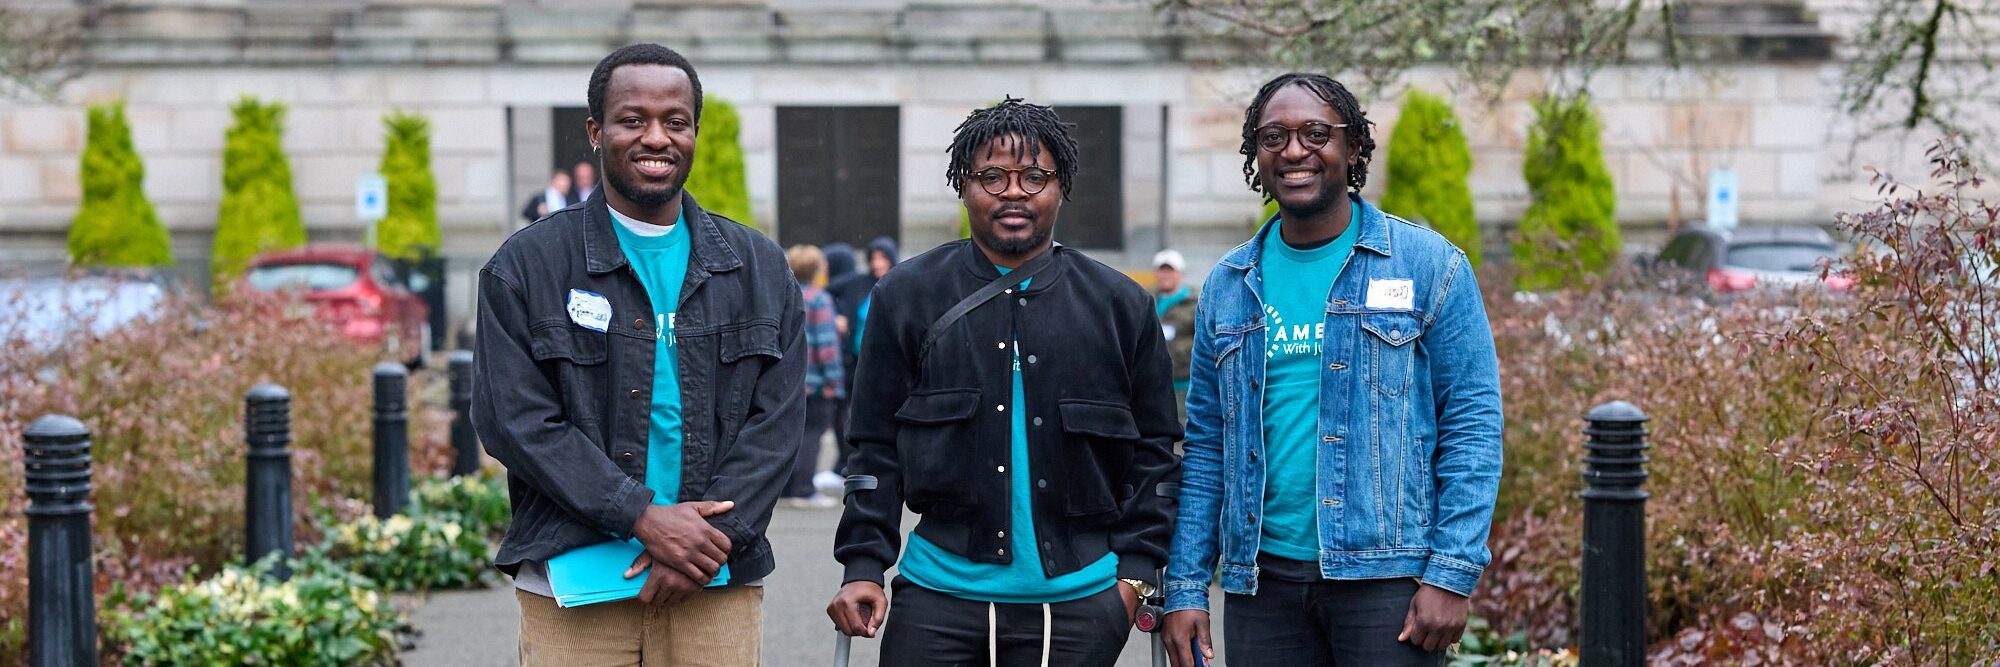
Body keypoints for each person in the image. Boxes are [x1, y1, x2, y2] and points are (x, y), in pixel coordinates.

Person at [471, 43, 804, 666]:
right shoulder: (526, 268)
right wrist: (643, 518)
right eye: (633, 120)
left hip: (716, 590)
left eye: (675, 122)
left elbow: (777, 426)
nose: (656, 137)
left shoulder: (759, 268)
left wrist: (707, 544)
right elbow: (515, 422)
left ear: (695, 133)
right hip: (575, 587)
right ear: (596, 132)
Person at [1159, 72, 1504, 667]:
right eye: (1274, 136)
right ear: (1255, 155)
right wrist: (1187, 585)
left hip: (1387, 580)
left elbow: (1473, 426)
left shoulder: (1427, 264)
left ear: (1353, 147)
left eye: (1316, 133)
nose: (1294, 151)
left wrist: (1451, 574)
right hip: (1261, 585)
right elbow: (1209, 448)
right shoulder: (1229, 284)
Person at [826, 97, 1181, 666]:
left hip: (1082, 605)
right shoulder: (906, 296)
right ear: (963, 185)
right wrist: (864, 566)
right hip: (937, 600)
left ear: (1060, 186)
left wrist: (1135, 579)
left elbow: (1156, 452)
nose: (1013, 192)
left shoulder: (1121, 305)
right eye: (992, 176)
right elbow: (873, 446)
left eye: (1034, 176)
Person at [783, 243, 844, 509]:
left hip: (789, 379)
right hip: (816, 381)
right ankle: (804, 489)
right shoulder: (820, 299)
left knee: (790, 436)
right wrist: (834, 380)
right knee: (812, 435)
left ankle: (786, 488)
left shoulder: (784, 294)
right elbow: (825, 346)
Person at [1151, 249, 1198, 422]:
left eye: (1170, 270)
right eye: (1162, 270)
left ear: (1180, 273)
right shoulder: (1148, 302)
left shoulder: (1194, 304)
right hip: (1155, 385)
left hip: (1185, 385)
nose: (1165, 275)